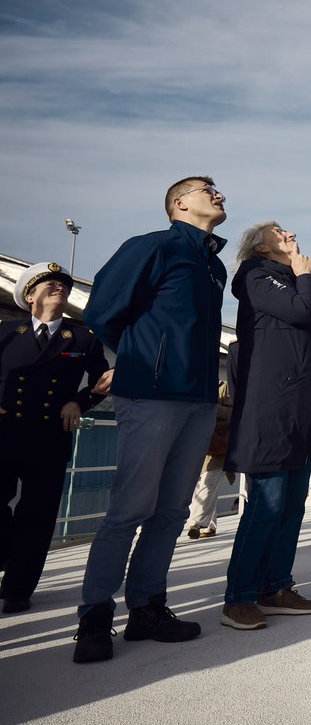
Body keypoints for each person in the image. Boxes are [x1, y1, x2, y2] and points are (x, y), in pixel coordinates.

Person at [74, 176, 228, 663]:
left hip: (200, 400)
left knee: (171, 513)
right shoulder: (153, 247)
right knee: (128, 510)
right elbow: (101, 310)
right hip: (152, 394)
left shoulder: (213, 265)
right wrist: (141, 359)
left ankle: (146, 609)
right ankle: (94, 618)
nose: (219, 194)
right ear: (180, 203)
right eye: (209, 189)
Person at [219, 223, 311, 631]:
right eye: (279, 232)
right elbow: (301, 312)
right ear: (261, 247)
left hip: (301, 409)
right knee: (267, 505)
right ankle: (239, 598)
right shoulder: (256, 275)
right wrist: (305, 276)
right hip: (272, 408)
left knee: (292, 506)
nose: (291, 233)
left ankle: (276, 587)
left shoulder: (290, 279)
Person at [0, 263, 111, 614]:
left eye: (62, 284)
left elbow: (105, 380)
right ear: (29, 296)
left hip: (49, 436)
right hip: (3, 434)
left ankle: (17, 589)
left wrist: (79, 401)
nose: (58, 287)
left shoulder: (83, 339)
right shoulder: (6, 331)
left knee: (37, 517)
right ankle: (5, 556)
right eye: (49, 283)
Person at [185, 340, 238, 540]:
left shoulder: (223, 388)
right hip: (203, 446)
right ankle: (210, 524)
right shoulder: (197, 389)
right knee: (205, 485)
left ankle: (195, 524)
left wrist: (208, 408)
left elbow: (232, 412)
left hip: (216, 447)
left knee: (207, 483)